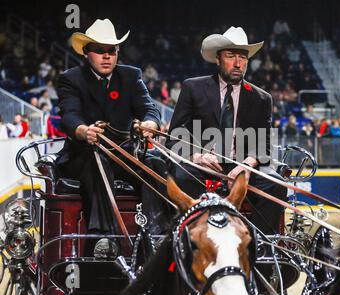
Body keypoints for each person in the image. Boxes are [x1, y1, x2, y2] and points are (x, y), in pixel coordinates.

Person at [56, 19, 169, 258]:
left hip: (124, 153)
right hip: (83, 155)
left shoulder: (130, 76)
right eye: (100, 50)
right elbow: (69, 115)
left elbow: (148, 109)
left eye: (111, 51)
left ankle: (158, 233)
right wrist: (83, 131)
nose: (106, 56)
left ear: (117, 53)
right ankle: (103, 236)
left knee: (156, 163)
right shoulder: (71, 78)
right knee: (96, 158)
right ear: (87, 53)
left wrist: (150, 123)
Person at [166, 26, 286, 234]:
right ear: (218, 59)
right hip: (201, 166)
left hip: (241, 166)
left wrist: (247, 165)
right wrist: (198, 157)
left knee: (276, 184)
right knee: (182, 175)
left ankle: (261, 246)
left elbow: (264, 146)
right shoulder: (193, 88)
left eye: (243, 57)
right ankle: (189, 239)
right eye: (231, 56)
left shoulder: (261, 98)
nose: (238, 63)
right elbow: (174, 137)